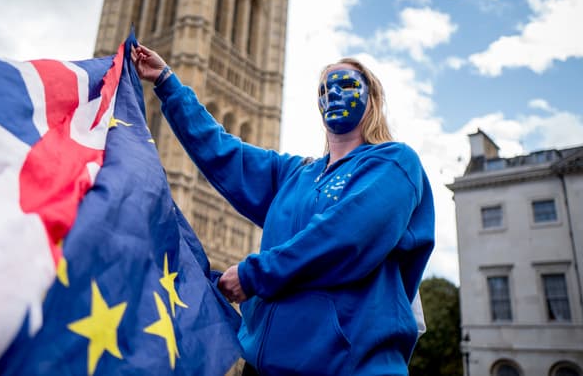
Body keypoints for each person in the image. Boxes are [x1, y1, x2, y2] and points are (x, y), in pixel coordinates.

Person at [131, 44, 435, 376]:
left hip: (345, 367)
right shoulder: (295, 174)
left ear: (372, 99)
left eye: (346, 84)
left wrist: (253, 275)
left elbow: (346, 236)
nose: (333, 93)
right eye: (324, 88)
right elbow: (223, 151)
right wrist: (167, 83)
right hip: (262, 367)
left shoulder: (393, 162)